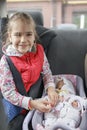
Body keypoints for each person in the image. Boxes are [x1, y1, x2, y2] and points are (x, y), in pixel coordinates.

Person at [0, 12, 58, 130]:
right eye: (18, 35)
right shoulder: (6, 61)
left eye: (28, 34)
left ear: (34, 36)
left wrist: (51, 88)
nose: (23, 40)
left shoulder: (40, 52)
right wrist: (31, 103)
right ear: (10, 36)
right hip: (13, 102)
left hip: (35, 97)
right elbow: (8, 92)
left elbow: (46, 73)